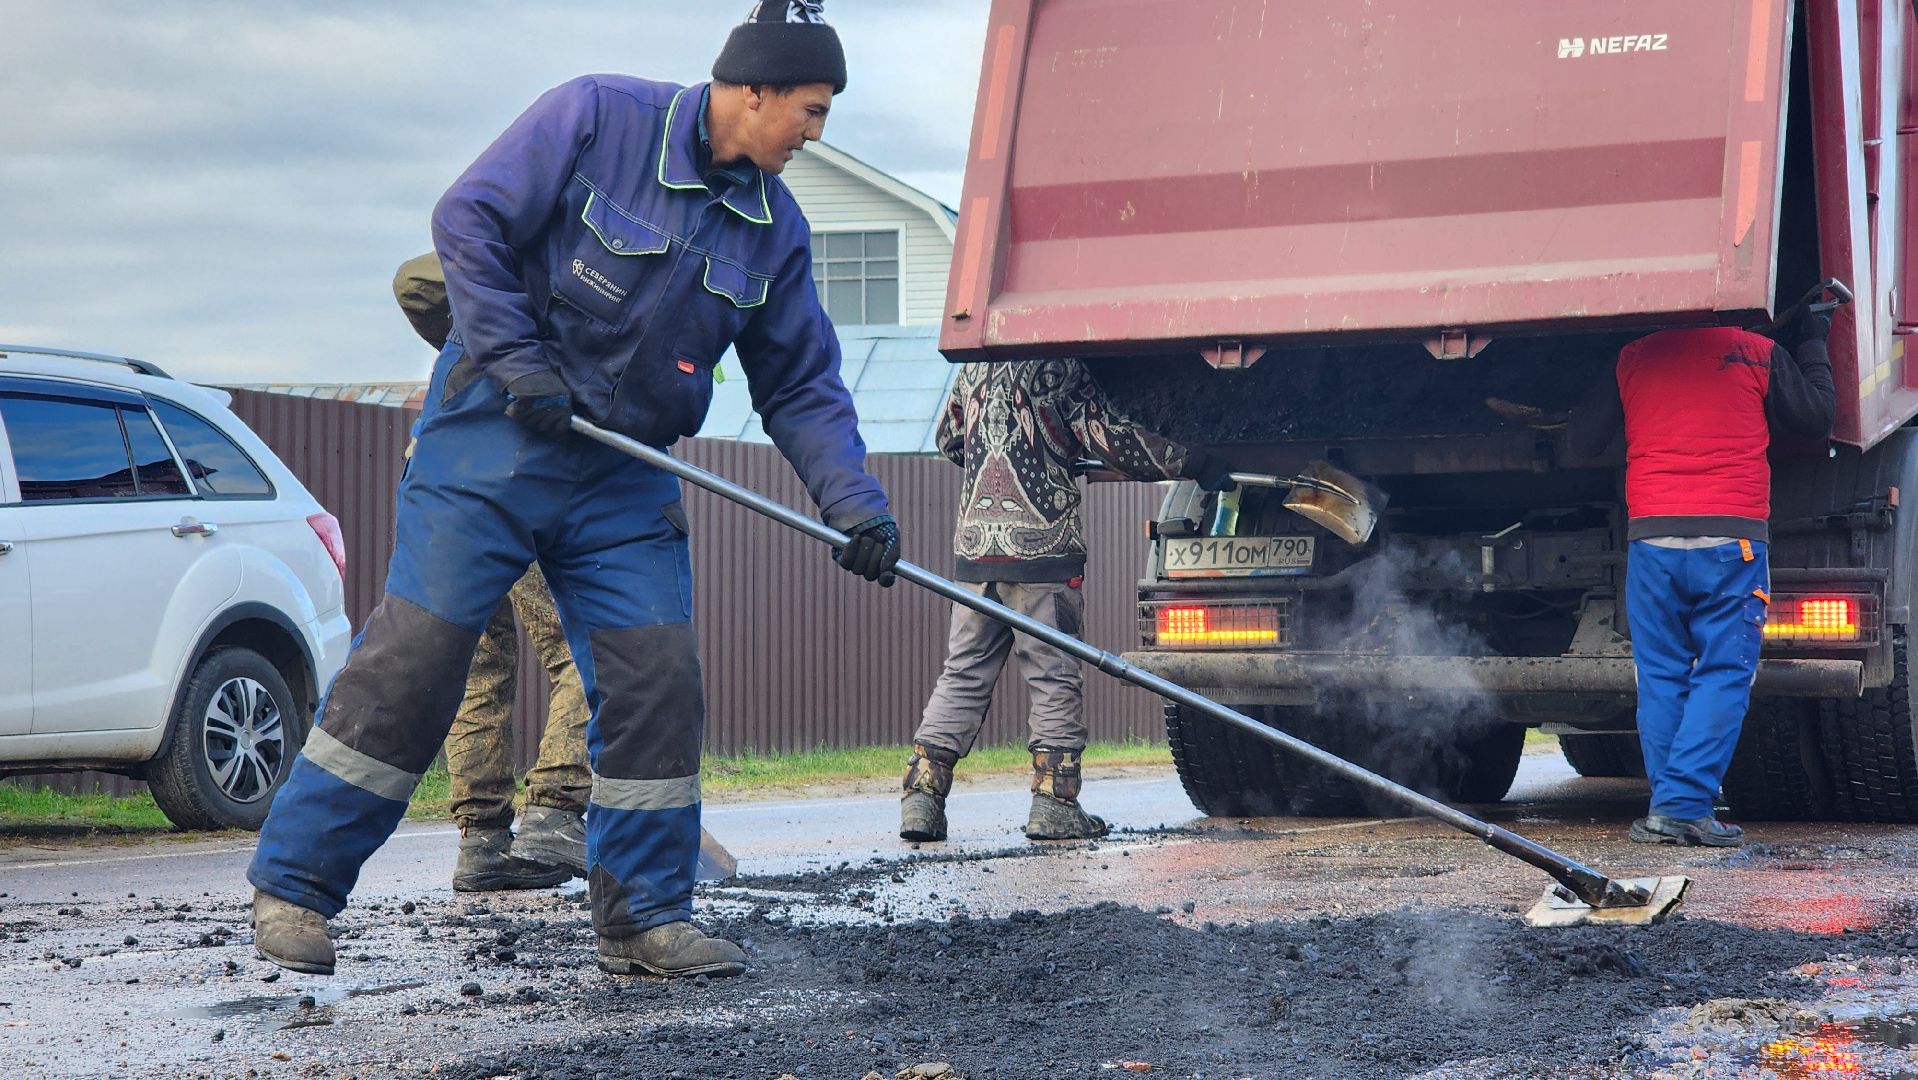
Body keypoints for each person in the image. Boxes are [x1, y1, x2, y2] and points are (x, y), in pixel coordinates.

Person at [248, 0, 901, 980]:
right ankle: (295, 886)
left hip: (622, 471)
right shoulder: (597, 116)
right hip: (493, 434)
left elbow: (801, 385)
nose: (815, 132)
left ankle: (642, 916)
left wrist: (854, 505)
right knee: (419, 656)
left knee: (655, 678)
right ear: (751, 89)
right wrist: (519, 362)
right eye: (808, 110)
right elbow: (465, 217)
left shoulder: (776, 232)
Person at [902, 359, 1230, 843]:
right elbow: (1113, 440)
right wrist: (1195, 461)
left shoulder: (973, 369)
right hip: (1043, 552)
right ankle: (1055, 804)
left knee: (963, 674)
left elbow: (950, 439)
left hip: (975, 555)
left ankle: (921, 802)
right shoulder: (1059, 366)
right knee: (1053, 675)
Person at [1570, 307, 1835, 847]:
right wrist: (1813, 338)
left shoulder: (1634, 357)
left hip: (1653, 539)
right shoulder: (1755, 353)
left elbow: (1581, 442)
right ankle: (1683, 807)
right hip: (1730, 539)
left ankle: (1670, 805)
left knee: (1661, 673)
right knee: (1722, 670)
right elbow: (1815, 418)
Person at [395, 252, 589, 892]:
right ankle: (555, 814)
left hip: (440, 474)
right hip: (515, 475)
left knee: (476, 662)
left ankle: (481, 843)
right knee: (584, 647)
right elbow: (417, 280)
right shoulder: (559, 273)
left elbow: (416, 283)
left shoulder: (485, 288)